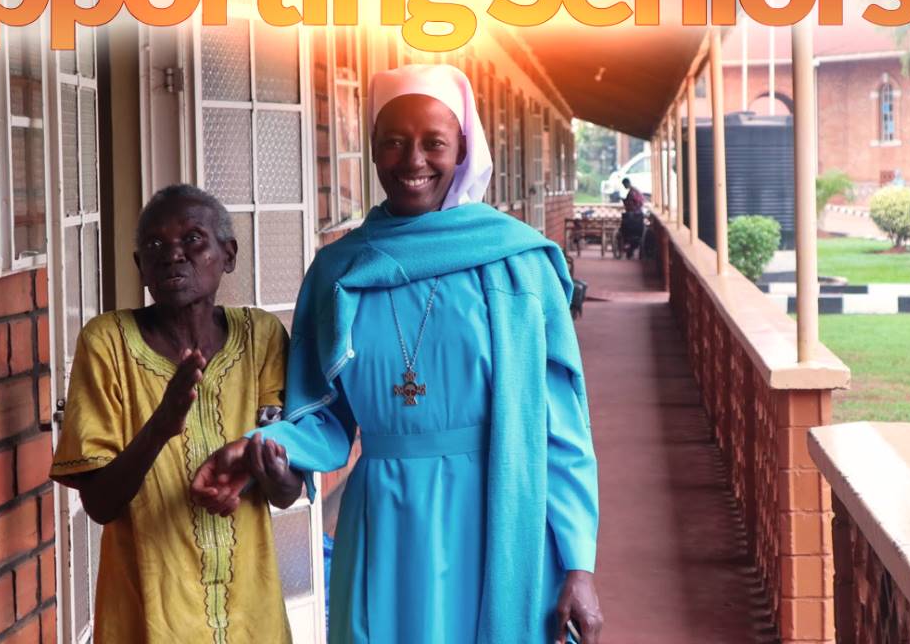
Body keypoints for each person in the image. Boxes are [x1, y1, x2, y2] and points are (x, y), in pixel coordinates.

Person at [192, 64, 603, 644]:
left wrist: (579, 567)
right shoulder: (340, 272)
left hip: (497, 512)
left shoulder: (518, 263)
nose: (413, 161)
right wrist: (265, 449)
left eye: (434, 142)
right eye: (394, 142)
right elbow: (324, 420)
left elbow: (562, 429)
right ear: (373, 150)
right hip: (384, 521)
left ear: (462, 149)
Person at [48, 185, 296, 644]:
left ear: (228, 254)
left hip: (250, 615)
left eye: (193, 239)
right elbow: (100, 505)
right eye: (155, 246)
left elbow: (286, 492)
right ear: (141, 266)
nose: (173, 255)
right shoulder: (108, 342)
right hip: (149, 618)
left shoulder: (261, 336)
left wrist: (270, 468)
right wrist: (161, 425)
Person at [620, 177, 646, 259]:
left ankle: (627, 243)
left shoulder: (632, 192)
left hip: (633, 214)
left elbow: (631, 203)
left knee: (625, 225)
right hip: (638, 214)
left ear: (627, 184)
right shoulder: (635, 191)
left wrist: (624, 201)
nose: (624, 186)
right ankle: (630, 248)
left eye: (624, 185)